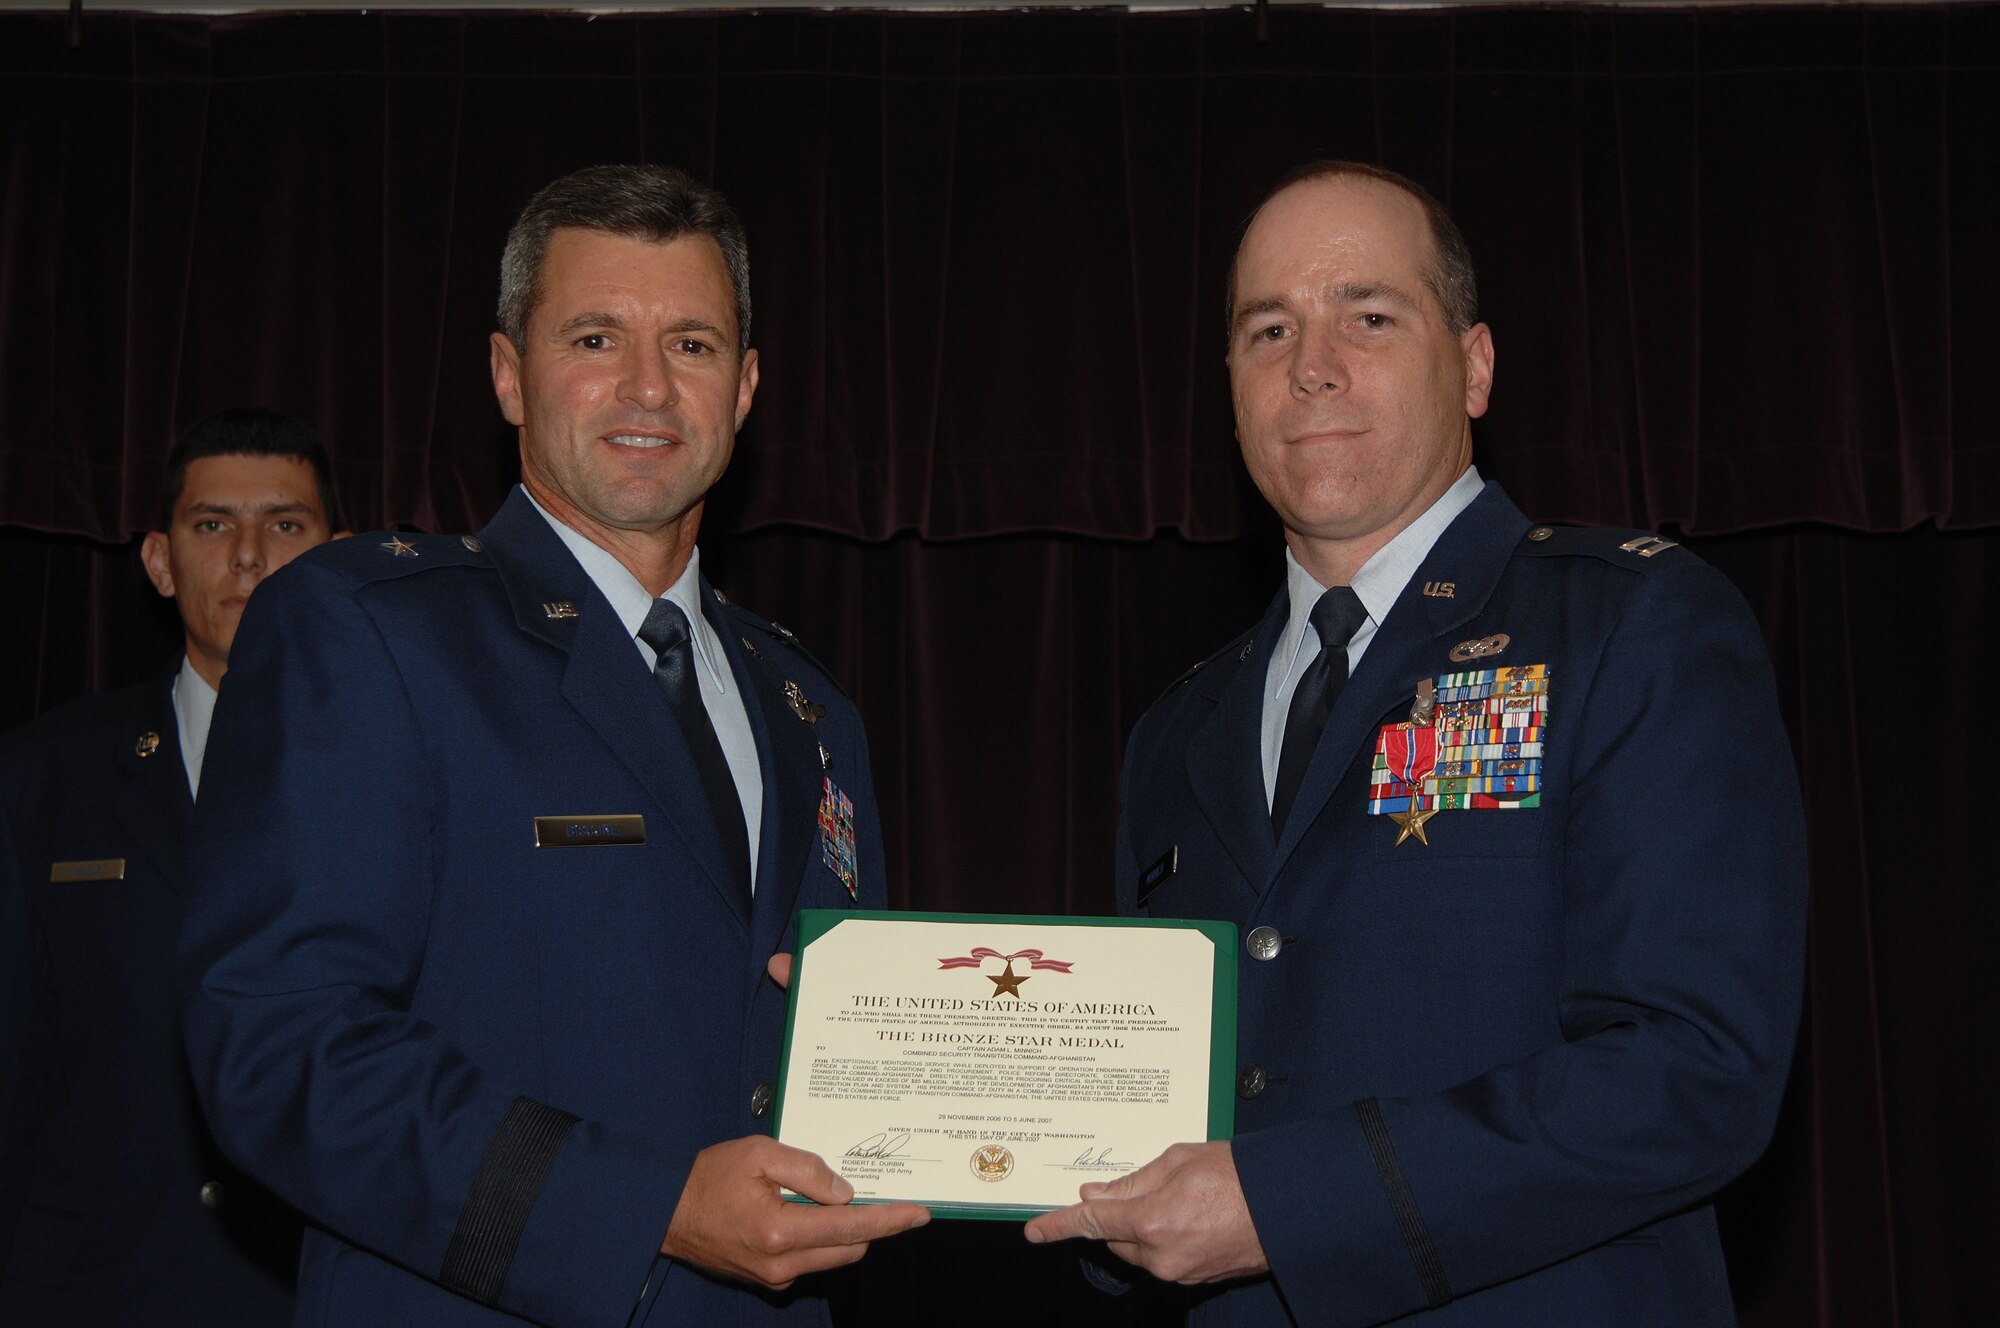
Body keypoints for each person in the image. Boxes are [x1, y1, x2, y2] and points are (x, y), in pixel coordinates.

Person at [1024, 161, 1808, 1326]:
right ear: (1230, 386)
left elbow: (1692, 1070)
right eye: (1268, 328)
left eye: (1369, 316)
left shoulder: (1629, 622)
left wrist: (1285, 1201)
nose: (1311, 365)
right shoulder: (1176, 730)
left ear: (1475, 365)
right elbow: (1158, 1091)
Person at [178, 163, 929, 1328]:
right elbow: (281, 1046)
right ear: (505, 374)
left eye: (691, 343)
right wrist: (646, 1205)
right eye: (592, 337)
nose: (646, 385)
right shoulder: (368, 631)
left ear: (744, 390)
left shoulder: (810, 705)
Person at [0, 406, 343, 1323]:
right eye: (211, 524)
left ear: (339, 554)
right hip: (101, 1290)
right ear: (158, 560)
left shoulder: (414, 770)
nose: (247, 556)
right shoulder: (43, 777)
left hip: (321, 1292)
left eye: (285, 525)